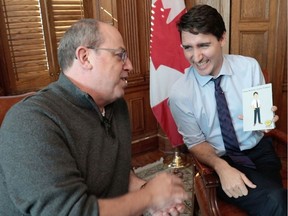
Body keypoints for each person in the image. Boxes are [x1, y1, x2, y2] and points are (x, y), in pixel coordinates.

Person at [0, 19, 188, 215]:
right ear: (85, 57)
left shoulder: (117, 106)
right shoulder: (31, 122)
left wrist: (146, 193)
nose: (130, 66)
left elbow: (119, 175)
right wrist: (148, 197)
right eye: (120, 55)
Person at [168, 4, 287, 216]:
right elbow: (195, 144)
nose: (196, 57)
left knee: (276, 200)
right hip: (220, 160)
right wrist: (221, 168)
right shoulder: (180, 93)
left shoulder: (249, 68)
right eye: (188, 47)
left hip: (260, 151)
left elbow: (260, 123)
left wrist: (267, 120)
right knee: (276, 201)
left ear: (222, 38)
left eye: (203, 45)